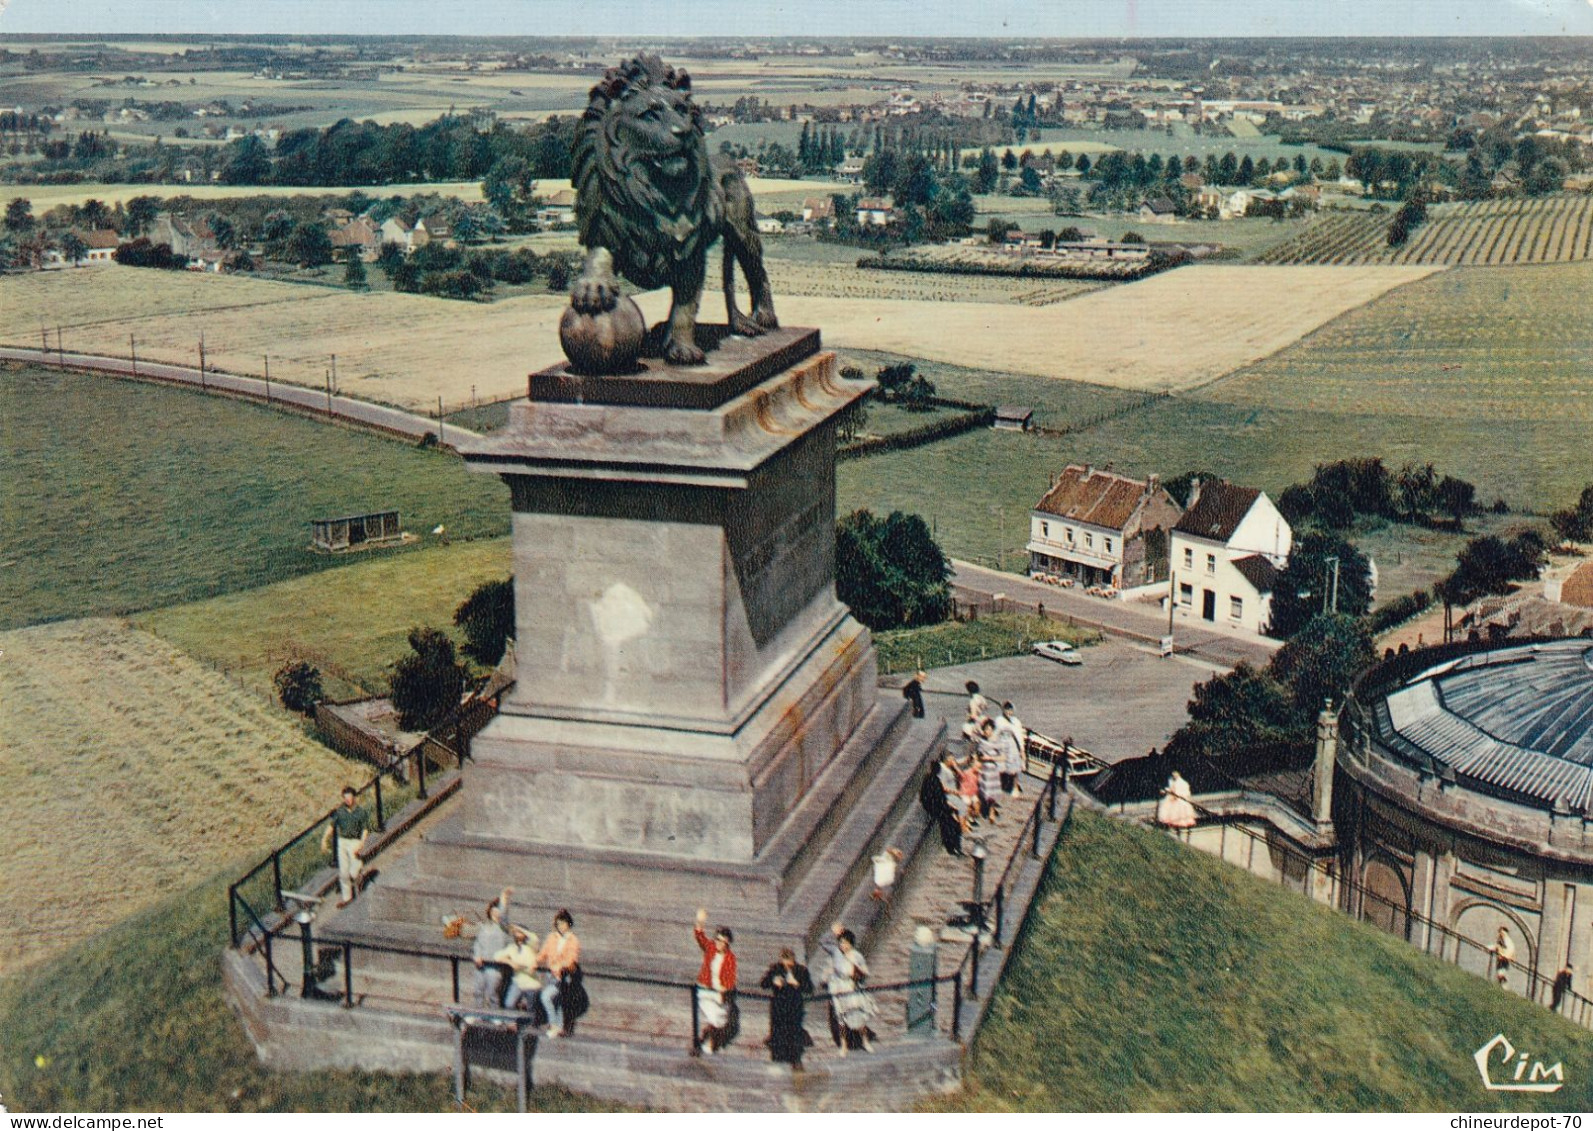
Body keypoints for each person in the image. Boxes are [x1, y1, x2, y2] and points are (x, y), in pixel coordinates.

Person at [822, 923, 877, 1055]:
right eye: (841, 943)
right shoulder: (836, 952)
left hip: (851, 987)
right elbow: (823, 942)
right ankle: (844, 1045)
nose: (843, 946)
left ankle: (865, 1041)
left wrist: (857, 975)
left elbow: (865, 972)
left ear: (851, 944)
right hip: (838, 987)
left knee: (858, 1016)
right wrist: (833, 932)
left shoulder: (857, 956)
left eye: (846, 943)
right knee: (841, 1018)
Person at [693, 908, 739, 1054]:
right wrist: (700, 920)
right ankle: (709, 1044)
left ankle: (706, 1039)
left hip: (719, 992)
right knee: (715, 1018)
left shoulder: (730, 958)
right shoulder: (711, 948)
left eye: (723, 942)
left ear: (727, 944)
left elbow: (730, 979)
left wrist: (724, 990)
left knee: (721, 1020)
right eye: (717, 940)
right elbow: (700, 936)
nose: (719, 943)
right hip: (705, 990)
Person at [759, 947, 814, 1069]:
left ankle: (795, 1060)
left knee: (793, 1035)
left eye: (790, 962)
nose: (787, 965)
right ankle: (777, 1060)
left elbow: (809, 988)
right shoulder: (775, 969)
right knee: (778, 1035)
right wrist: (774, 981)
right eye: (785, 961)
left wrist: (797, 984)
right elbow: (763, 984)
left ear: (794, 960)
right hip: (778, 1008)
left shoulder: (801, 970)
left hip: (794, 1008)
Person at [535, 909, 581, 1038]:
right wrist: (535, 960)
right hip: (551, 975)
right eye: (559, 924)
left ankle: (553, 1025)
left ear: (569, 924)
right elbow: (544, 953)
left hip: (564, 977)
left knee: (547, 996)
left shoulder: (573, 940)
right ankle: (559, 1027)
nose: (561, 927)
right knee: (556, 1000)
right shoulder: (552, 937)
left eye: (563, 923)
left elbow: (572, 959)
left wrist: (561, 967)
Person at [323, 786, 371, 909]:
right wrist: (324, 839)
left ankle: (360, 878)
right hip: (343, 841)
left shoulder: (361, 812)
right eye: (345, 798)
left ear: (354, 797)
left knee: (353, 871)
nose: (348, 800)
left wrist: (361, 843)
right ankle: (347, 898)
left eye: (350, 797)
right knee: (343, 873)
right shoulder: (340, 811)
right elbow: (332, 825)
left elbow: (365, 829)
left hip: (354, 841)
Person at [471, 888, 514, 1008]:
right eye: (493, 911)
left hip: (494, 965)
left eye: (498, 911)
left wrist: (504, 898)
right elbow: (478, 943)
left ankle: (495, 1016)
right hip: (481, 964)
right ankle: (477, 1013)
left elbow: (504, 914)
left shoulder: (503, 927)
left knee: (492, 993)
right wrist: (477, 956)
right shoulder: (484, 927)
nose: (496, 913)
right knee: (478, 991)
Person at [496, 925, 543, 1015]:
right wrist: (509, 962)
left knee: (531, 1009)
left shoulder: (532, 947)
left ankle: (531, 1026)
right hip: (518, 981)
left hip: (531, 983)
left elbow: (534, 938)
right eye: (515, 932)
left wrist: (518, 927)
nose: (517, 934)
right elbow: (497, 956)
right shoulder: (512, 947)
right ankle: (512, 1024)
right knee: (509, 1004)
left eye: (520, 932)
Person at [920, 759, 962, 856]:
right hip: (937, 807)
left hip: (935, 806)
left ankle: (954, 847)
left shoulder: (930, 779)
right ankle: (953, 847)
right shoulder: (934, 781)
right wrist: (949, 807)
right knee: (953, 825)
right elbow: (939, 798)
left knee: (951, 824)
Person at [996, 702, 1027, 796]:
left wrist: (1022, 749)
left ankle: (1015, 787)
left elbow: (1019, 735)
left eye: (1010, 709)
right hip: (1001, 743)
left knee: (1014, 768)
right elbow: (997, 732)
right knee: (1000, 766)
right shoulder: (999, 720)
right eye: (1006, 709)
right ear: (1003, 710)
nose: (1008, 712)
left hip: (1012, 744)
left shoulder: (1016, 721)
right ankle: (1001, 785)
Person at [977, 722, 1003, 823]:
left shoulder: (997, 742)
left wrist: (990, 758)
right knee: (984, 791)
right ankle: (985, 809)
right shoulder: (982, 742)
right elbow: (979, 756)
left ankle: (991, 812)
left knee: (992, 793)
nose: (988, 731)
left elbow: (1003, 757)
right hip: (984, 770)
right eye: (986, 729)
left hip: (993, 770)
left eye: (990, 729)